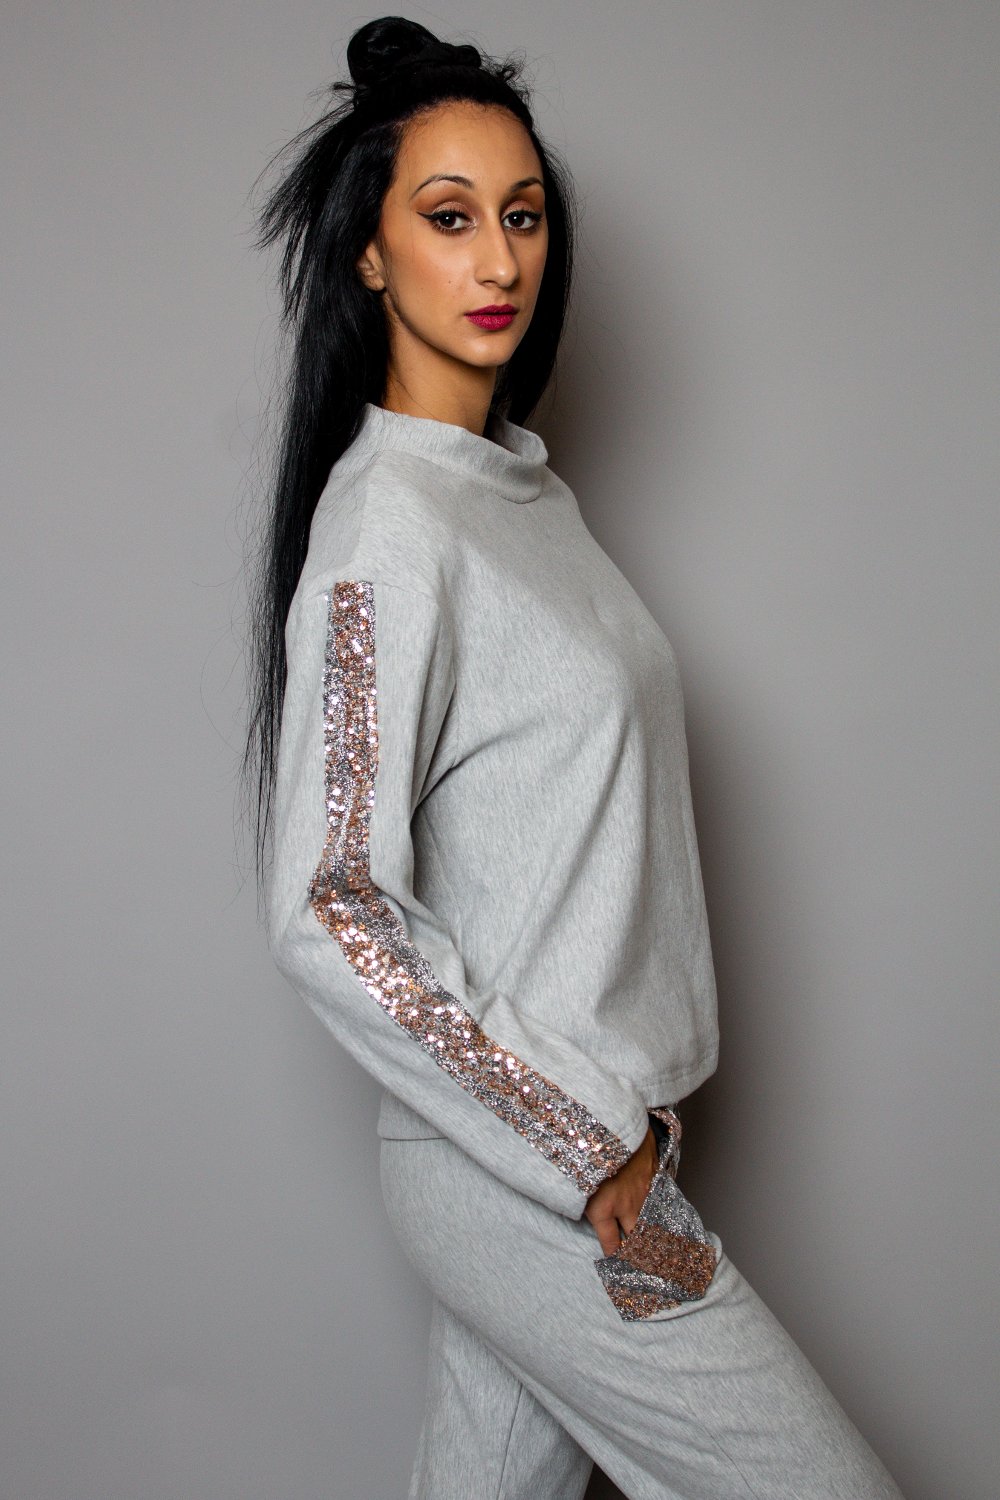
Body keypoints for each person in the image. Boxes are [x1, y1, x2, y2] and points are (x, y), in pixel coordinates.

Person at [243, 16, 906, 1499]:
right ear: (370, 256)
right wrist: (588, 1145)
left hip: (597, 1150)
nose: (499, 260)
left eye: (524, 216)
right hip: (541, 1180)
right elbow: (331, 902)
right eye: (449, 217)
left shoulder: (520, 495)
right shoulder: (388, 533)